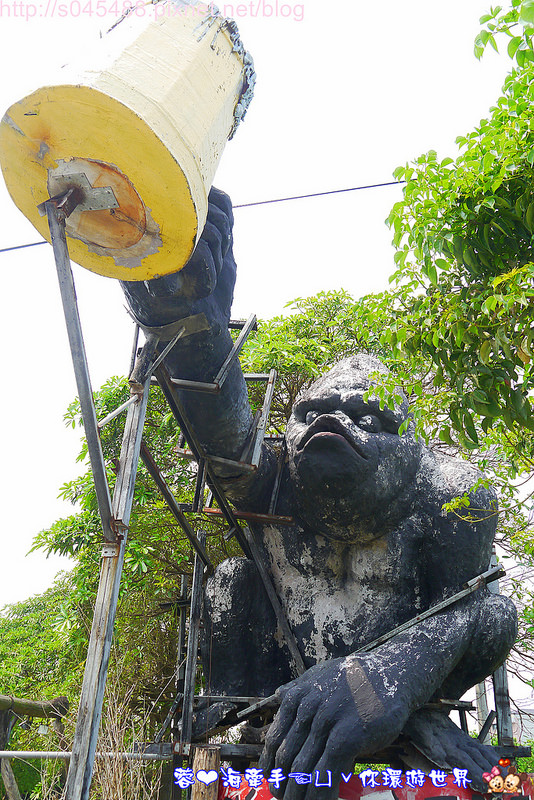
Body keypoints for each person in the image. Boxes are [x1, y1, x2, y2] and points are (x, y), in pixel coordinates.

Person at [122, 188, 517, 800]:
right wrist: (191, 321)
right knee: (232, 579)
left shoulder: (450, 495)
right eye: (312, 413)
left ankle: (415, 710)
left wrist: (387, 682)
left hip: (400, 694)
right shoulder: (278, 479)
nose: (333, 426)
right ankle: (241, 711)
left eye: (367, 417)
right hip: (283, 693)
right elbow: (223, 442)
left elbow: (474, 615)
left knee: (492, 611)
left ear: (414, 447)